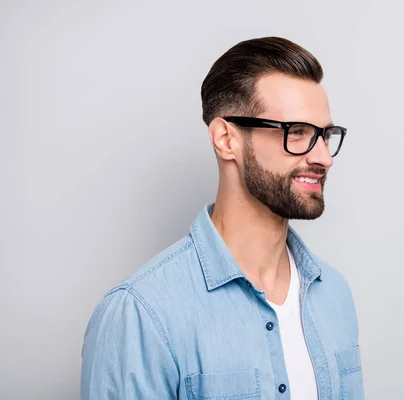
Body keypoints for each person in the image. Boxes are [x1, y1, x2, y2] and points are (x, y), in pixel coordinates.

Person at [81, 36, 364, 400]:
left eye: (325, 135)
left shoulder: (334, 295)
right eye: (298, 133)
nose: (324, 158)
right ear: (225, 139)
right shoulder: (140, 315)